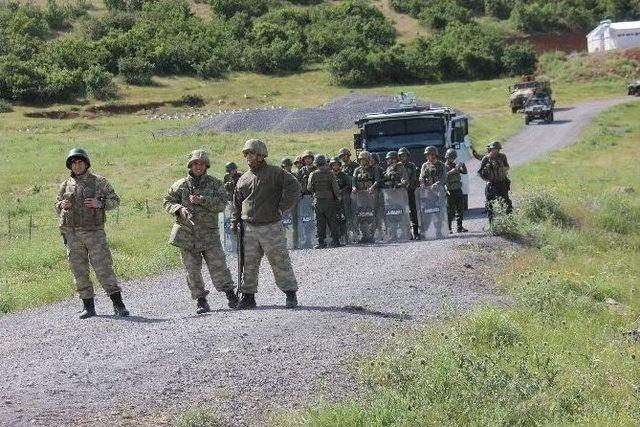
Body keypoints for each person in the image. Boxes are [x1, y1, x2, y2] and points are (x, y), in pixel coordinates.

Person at [55, 148, 129, 319]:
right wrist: (61, 206)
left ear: (86, 163)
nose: (77, 165)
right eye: (74, 163)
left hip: (94, 233)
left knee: (104, 269)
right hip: (73, 235)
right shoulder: (65, 185)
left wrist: (100, 203)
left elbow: (115, 200)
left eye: (80, 162)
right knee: (79, 272)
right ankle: (88, 307)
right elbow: (56, 205)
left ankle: (119, 305)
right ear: (70, 166)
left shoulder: (99, 182)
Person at [164, 150, 237, 314]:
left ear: (206, 166)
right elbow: (167, 201)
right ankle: (201, 301)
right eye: (195, 163)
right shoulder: (180, 185)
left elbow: (221, 204)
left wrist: (202, 200)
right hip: (187, 235)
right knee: (192, 271)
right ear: (190, 165)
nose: (198, 166)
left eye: (201, 163)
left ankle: (231, 296)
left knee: (219, 266)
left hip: (209, 234)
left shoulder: (215, 184)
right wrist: (179, 209)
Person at [233, 139, 301, 309]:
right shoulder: (243, 178)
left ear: (261, 155)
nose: (248, 156)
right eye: (246, 153)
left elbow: (294, 187)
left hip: (271, 226)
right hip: (249, 228)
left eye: (251, 153)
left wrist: (282, 207)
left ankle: (290, 294)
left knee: (279, 260)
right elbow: (237, 203)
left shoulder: (275, 172)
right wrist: (236, 221)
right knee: (248, 263)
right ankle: (248, 297)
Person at [307, 155, 342, 249]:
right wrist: (337, 197)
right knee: (332, 221)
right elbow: (336, 189)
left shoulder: (313, 174)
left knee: (319, 222)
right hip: (330, 201)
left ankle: (321, 242)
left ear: (316, 163)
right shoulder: (330, 174)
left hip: (318, 201)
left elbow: (309, 188)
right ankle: (336, 241)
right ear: (324, 163)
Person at [351, 151, 382, 244]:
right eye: (361, 159)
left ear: (368, 160)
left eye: (364, 159)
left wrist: (372, 187)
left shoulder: (374, 169)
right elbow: (354, 181)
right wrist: (354, 187)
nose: (362, 161)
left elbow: (377, 180)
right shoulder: (357, 170)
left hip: (371, 195)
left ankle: (371, 235)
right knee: (362, 215)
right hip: (360, 196)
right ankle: (364, 235)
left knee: (371, 214)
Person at [478, 141, 512, 222]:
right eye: (496, 149)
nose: (497, 150)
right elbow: (480, 171)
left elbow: (507, 166)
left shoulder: (502, 156)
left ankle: (509, 220)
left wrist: (503, 168)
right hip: (491, 184)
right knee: (490, 204)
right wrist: (487, 180)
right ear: (491, 149)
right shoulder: (486, 158)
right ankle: (492, 223)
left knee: (506, 202)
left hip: (502, 182)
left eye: (498, 149)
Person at [398, 147, 420, 239]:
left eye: (405, 155)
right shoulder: (397, 166)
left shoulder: (412, 166)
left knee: (413, 211)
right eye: (402, 156)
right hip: (400, 193)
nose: (403, 157)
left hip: (411, 191)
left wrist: (408, 186)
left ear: (408, 156)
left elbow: (414, 179)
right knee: (403, 212)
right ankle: (407, 232)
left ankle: (416, 232)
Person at [444, 148, 468, 233]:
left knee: (460, 209)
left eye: (453, 158)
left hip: (458, 189)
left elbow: (464, 172)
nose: (452, 159)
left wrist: (462, 165)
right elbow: (443, 177)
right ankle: (449, 228)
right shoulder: (444, 166)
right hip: (450, 190)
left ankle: (459, 227)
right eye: (451, 157)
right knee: (450, 211)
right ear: (447, 157)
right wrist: (452, 171)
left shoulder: (455, 165)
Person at [330, 156, 352, 243]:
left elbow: (349, 185)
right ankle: (336, 237)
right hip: (333, 200)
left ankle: (345, 236)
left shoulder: (344, 175)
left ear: (340, 165)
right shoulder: (329, 175)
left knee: (344, 217)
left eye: (337, 165)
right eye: (333, 165)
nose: (335, 167)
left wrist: (341, 191)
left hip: (344, 199)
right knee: (334, 218)